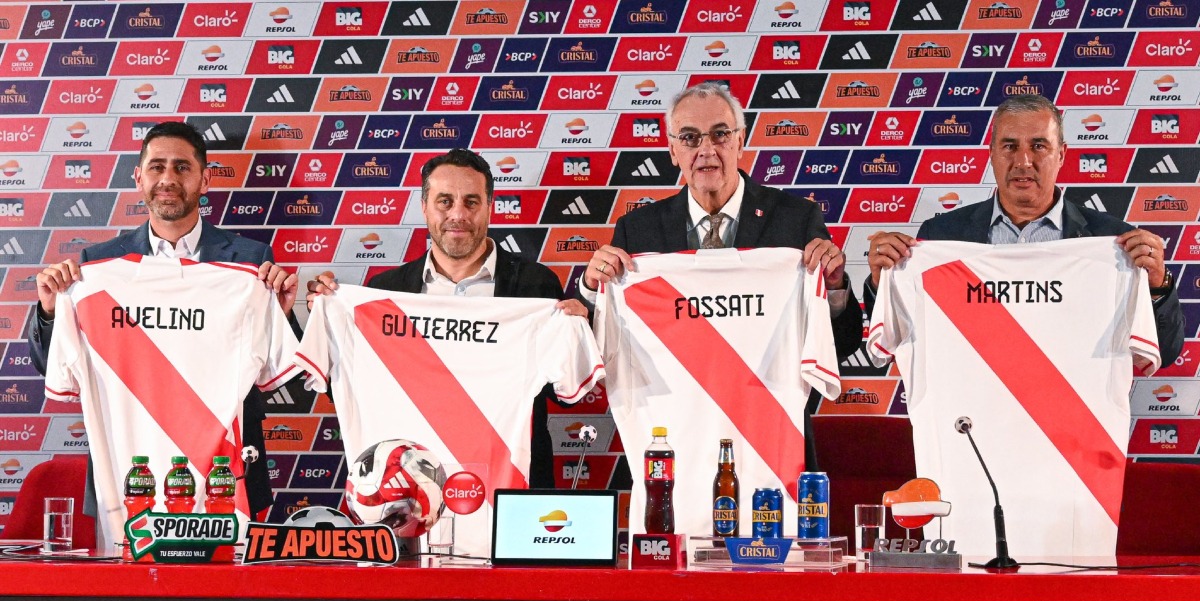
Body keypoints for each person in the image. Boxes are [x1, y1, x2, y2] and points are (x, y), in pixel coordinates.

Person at [28, 120, 298, 520]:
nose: (168, 178)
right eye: (157, 167)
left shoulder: (250, 261)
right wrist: (52, 311)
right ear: (139, 178)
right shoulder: (95, 267)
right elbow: (53, 364)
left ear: (205, 180)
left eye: (182, 167)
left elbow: (279, 375)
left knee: (230, 582)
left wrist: (284, 313)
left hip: (226, 470)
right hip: (127, 469)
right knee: (130, 583)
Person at [306, 148, 586, 489]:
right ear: (424, 206)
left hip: (510, 486)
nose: (458, 214)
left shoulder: (536, 285)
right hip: (409, 490)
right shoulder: (385, 292)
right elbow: (355, 387)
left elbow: (561, 393)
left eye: (471, 202)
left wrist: (579, 329)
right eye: (444, 201)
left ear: (489, 206)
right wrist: (331, 320)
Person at [864, 94, 1184, 365]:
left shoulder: (1112, 241)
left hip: (1072, 424)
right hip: (970, 422)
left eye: (1039, 146)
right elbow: (900, 340)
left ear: (1062, 155)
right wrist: (883, 283)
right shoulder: (941, 235)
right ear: (991, 155)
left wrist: (1156, 286)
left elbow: (1164, 353)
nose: (1023, 161)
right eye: (1009, 146)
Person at [579, 81, 862, 360]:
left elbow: (843, 345)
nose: (706, 150)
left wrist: (834, 289)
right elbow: (601, 350)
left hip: (770, 401)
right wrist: (593, 290)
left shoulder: (795, 218)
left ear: (740, 142)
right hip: (675, 404)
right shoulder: (637, 230)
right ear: (673, 151)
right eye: (689, 137)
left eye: (720, 134)